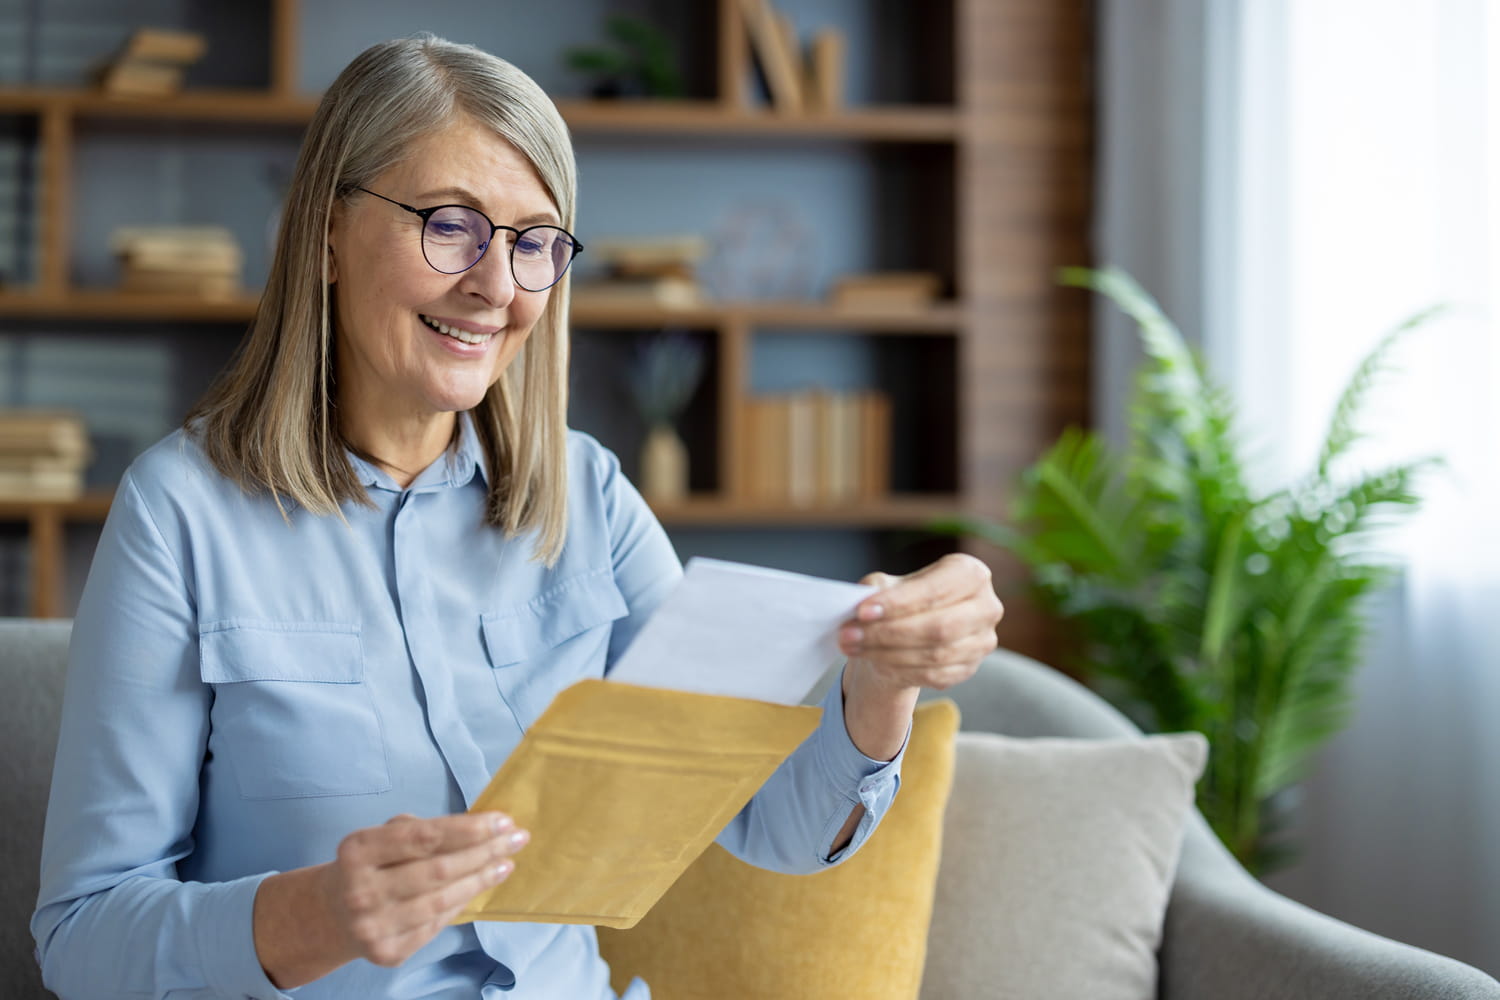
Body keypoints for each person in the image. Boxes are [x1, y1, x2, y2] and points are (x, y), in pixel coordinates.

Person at [32, 34, 1003, 1000]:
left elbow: (772, 825)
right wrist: (316, 913)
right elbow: (82, 937)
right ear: (326, 232)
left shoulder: (591, 500)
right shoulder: (180, 514)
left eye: (535, 243)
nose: (496, 286)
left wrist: (878, 685)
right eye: (450, 225)